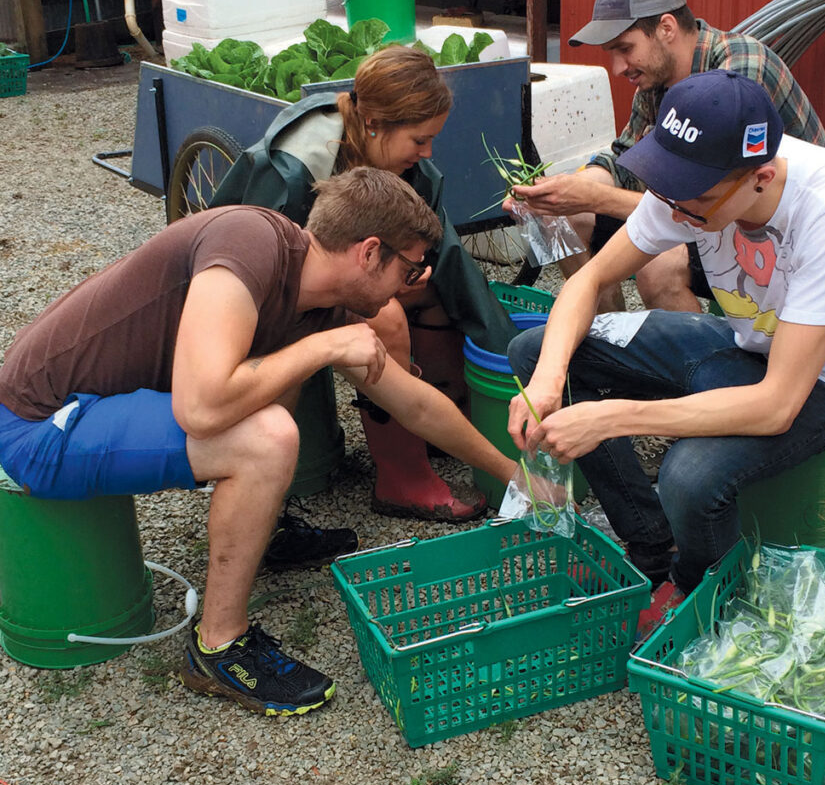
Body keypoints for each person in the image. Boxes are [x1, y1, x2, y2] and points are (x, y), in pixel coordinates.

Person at [0, 168, 517, 715]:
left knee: (273, 391)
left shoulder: (323, 298)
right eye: (411, 267)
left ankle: (260, 528)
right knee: (265, 436)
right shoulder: (248, 243)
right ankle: (219, 646)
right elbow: (200, 408)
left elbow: (413, 402)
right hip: (40, 424)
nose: (414, 283)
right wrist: (322, 350)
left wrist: (512, 473)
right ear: (369, 253)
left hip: (95, 408)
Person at [506, 70, 825, 639]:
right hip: (748, 343)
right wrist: (549, 383)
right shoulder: (694, 182)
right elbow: (586, 280)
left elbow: (777, 405)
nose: (672, 209)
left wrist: (613, 416)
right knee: (535, 349)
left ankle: (703, 591)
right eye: (668, 189)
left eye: (692, 201)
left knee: (689, 475)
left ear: (761, 178)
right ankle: (649, 543)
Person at [212, 46, 521, 523]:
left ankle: (445, 428)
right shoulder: (293, 172)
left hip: (343, 281)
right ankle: (403, 475)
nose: (428, 153)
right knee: (389, 318)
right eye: (420, 140)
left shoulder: (410, 169)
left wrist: (511, 361)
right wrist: (375, 295)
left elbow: (454, 261)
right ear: (374, 121)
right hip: (276, 298)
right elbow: (262, 276)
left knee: (436, 292)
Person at [504, 0, 825, 313]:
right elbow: (625, 159)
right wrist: (561, 191)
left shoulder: (739, 74)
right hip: (704, 208)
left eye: (624, 48)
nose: (617, 67)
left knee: (657, 266)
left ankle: (699, 364)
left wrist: (595, 197)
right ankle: (607, 338)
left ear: (666, 28)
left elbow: (708, 200)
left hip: (768, 227)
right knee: (561, 218)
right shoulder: (656, 78)